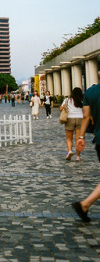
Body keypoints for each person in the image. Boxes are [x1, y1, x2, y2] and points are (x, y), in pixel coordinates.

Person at [73, 78, 100, 222]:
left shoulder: (90, 92)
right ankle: (84, 204)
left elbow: (86, 117)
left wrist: (81, 137)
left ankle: (85, 205)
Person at [61, 87, 83, 161]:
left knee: (69, 138)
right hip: (80, 118)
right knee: (78, 139)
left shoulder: (67, 100)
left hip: (70, 118)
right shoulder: (82, 100)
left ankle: (70, 151)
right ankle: (78, 156)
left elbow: (61, 108)